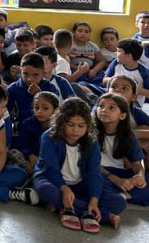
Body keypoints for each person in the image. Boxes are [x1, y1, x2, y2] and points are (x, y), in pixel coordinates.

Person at [33, 98, 126, 232]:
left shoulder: (91, 142)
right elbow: (51, 170)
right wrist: (64, 189)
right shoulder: (49, 137)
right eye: (70, 124)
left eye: (81, 126)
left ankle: (67, 207)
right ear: (61, 122)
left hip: (80, 184)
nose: (75, 130)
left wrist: (94, 199)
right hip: (53, 182)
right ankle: (98, 214)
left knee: (119, 202)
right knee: (46, 190)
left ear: (88, 126)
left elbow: (94, 173)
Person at [95, 93, 149, 212]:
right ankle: (121, 195)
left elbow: (137, 165)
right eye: (101, 106)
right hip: (100, 172)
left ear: (123, 115)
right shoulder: (90, 134)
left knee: (145, 181)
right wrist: (115, 180)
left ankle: (122, 196)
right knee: (92, 180)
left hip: (120, 173)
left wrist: (140, 176)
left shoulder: (128, 136)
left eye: (111, 108)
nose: (104, 110)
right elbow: (90, 163)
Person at [7, 53, 61, 135]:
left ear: (43, 73)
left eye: (35, 75)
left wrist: (40, 95)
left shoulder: (49, 87)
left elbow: (56, 112)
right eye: (25, 74)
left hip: (46, 130)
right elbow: (7, 114)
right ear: (20, 71)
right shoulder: (13, 89)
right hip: (21, 131)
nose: (29, 79)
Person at [12, 91, 59, 176]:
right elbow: (23, 144)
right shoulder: (27, 124)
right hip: (29, 157)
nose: (39, 112)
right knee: (14, 153)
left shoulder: (59, 126)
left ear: (55, 111)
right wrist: (30, 155)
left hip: (49, 159)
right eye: (36, 108)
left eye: (45, 108)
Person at [103, 39, 149, 105]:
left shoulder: (143, 71)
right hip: (113, 96)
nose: (115, 53)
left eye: (118, 51)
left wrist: (133, 88)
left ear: (128, 56)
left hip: (132, 102)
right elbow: (104, 79)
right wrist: (117, 82)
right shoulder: (116, 63)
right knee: (85, 86)